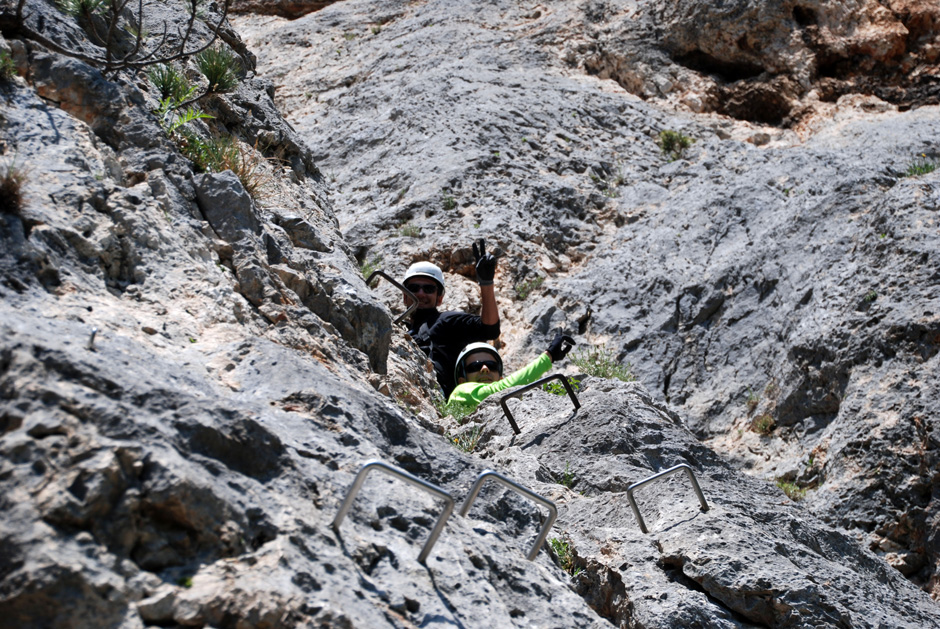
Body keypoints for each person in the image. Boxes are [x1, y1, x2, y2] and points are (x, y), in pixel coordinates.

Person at [403, 240, 500, 396]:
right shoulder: (397, 331)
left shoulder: (447, 321)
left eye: (428, 289)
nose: (420, 293)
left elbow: (490, 329)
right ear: (404, 296)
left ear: (439, 299)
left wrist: (486, 283)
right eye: (414, 288)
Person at [447, 334, 575, 412]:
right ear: (461, 381)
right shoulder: (461, 392)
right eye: (475, 366)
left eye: (492, 366)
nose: (485, 368)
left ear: (501, 378)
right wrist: (549, 356)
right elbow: (500, 390)